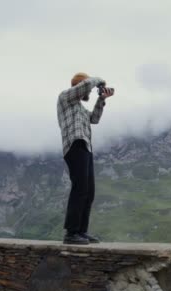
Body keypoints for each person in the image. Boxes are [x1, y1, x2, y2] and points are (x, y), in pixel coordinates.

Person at [57, 72, 114, 245]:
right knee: (80, 188)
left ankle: (81, 231)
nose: (89, 93)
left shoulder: (80, 109)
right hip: (74, 145)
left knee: (89, 191)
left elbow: (94, 119)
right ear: (80, 86)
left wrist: (101, 99)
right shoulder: (65, 97)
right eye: (87, 89)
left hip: (86, 146)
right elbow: (85, 85)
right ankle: (71, 233)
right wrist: (99, 80)